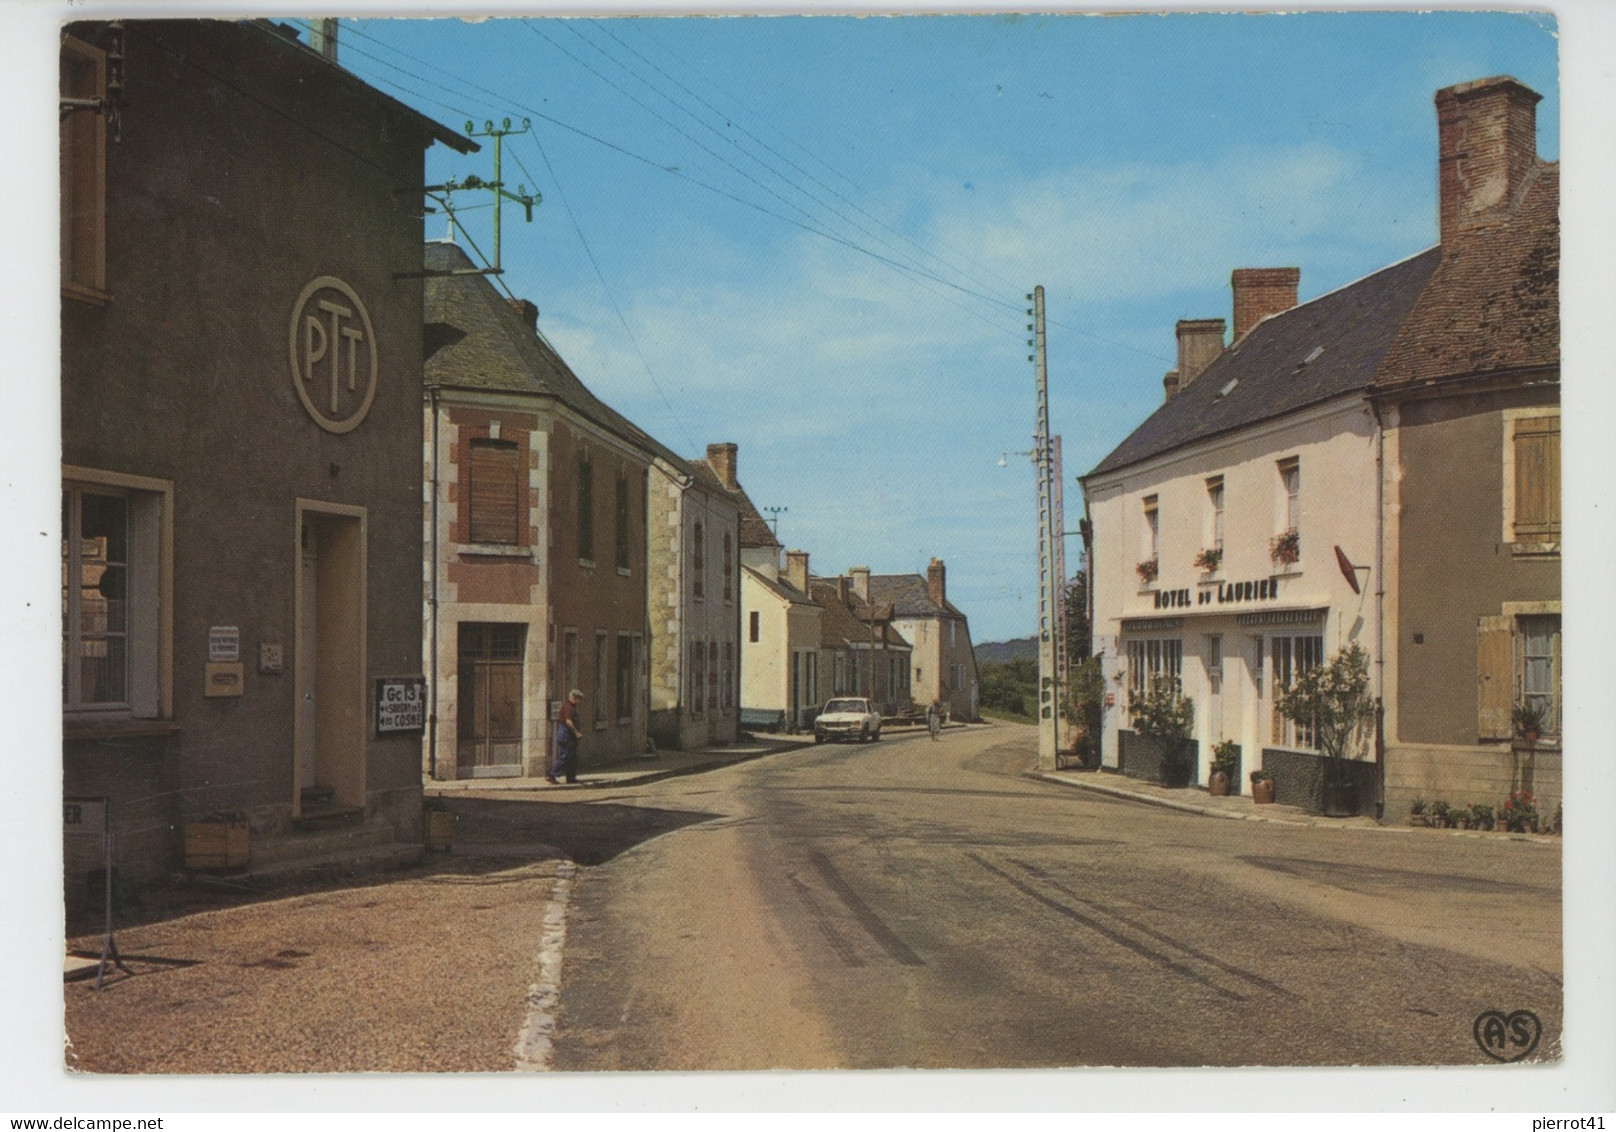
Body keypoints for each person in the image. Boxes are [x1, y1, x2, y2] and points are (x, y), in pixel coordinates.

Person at [548, 689, 584, 784]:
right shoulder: (568, 707)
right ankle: (552, 774)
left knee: (572, 758)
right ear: (573, 698)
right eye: (578, 699)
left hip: (569, 736)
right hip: (566, 735)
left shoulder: (571, 707)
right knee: (565, 756)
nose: (579, 702)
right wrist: (576, 732)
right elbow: (568, 721)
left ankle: (571, 777)